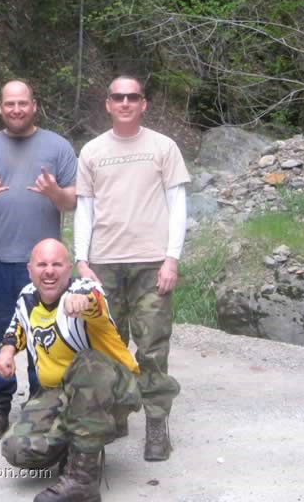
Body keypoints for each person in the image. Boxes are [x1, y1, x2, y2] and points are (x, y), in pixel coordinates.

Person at [74, 75, 190, 462]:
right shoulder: (91, 151)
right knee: (109, 345)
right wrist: (81, 260)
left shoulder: (163, 147)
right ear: (107, 104)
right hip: (104, 263)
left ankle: (157, 423)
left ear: (144, 103)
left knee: (153, 346)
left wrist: (172, 257)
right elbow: (84, 208)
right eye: (117, 97)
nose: (125, 102)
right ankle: (118, 413)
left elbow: (178, 204)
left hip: (151, 262)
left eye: (132, 97)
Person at [0, 80, 78, 442]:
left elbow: (73, 202)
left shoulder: (58, 147)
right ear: (0, 107)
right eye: (9, 104)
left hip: (45, 268)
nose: (16, 109)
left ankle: (41, 403)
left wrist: (54, 192)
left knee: (46, 337)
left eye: (22, 103)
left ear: (34, 105)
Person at [0, 239, 141, 502]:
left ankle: (82, 480)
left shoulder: (84, 289)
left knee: (88, 363)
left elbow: (94, 297)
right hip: (59, 393)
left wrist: (82, 301)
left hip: (112, 389)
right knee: (16, 449)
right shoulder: (28, 295)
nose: (49, 271)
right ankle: (78, 446)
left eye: (57, 264)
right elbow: (17, 325)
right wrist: (7, 352)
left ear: (68, 268)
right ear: (30, 270)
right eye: (42, 264)